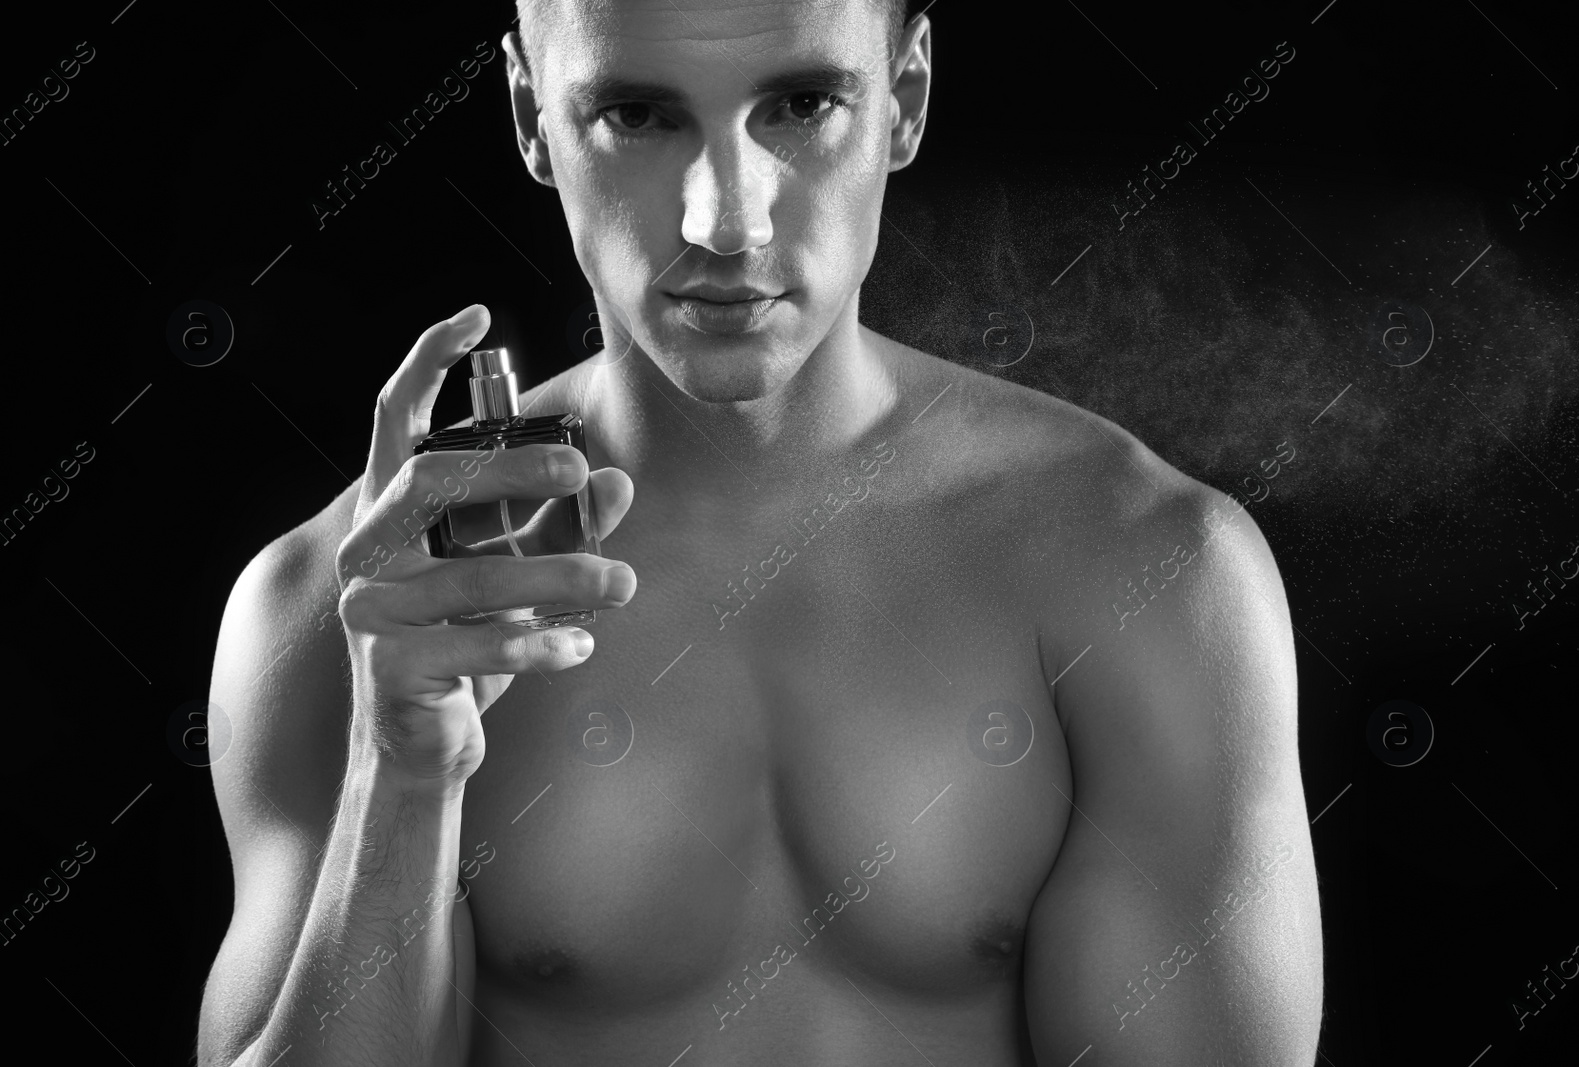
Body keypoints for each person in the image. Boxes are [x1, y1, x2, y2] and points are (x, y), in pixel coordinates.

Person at [198, 1, 1324, 1064]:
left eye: (798, 105)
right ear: (531, 114)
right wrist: (398, 775)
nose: (723, 220)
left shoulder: (1142, 567)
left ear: (906, 96)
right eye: (636, 114)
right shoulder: (341, 606)